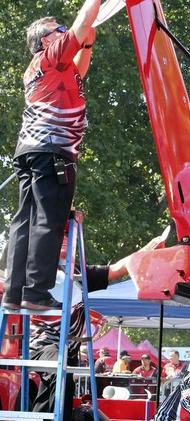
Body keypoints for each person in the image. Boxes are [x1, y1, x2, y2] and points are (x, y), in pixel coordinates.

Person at [3, 0, 102, 311]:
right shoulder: (50, 56)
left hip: (31, 151)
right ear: (46, 40)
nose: (63, 32)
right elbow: (82, 20)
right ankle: (36, 292)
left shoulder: (48, 68)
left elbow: (79, 71)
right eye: (58, 30)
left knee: (25, 220)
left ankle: (14, 292)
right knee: (49, 220)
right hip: (53, 151)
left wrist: (85, 43)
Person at [19, 235, 165, 421]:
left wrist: (148, 248)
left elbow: (116, 269)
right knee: (59, 372)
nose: (63, 241)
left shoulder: (77, 272)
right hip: (43, 344)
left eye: (65, 237)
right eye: (59, 236)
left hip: (67, 349)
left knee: (62, 390)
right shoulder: (35, 272)